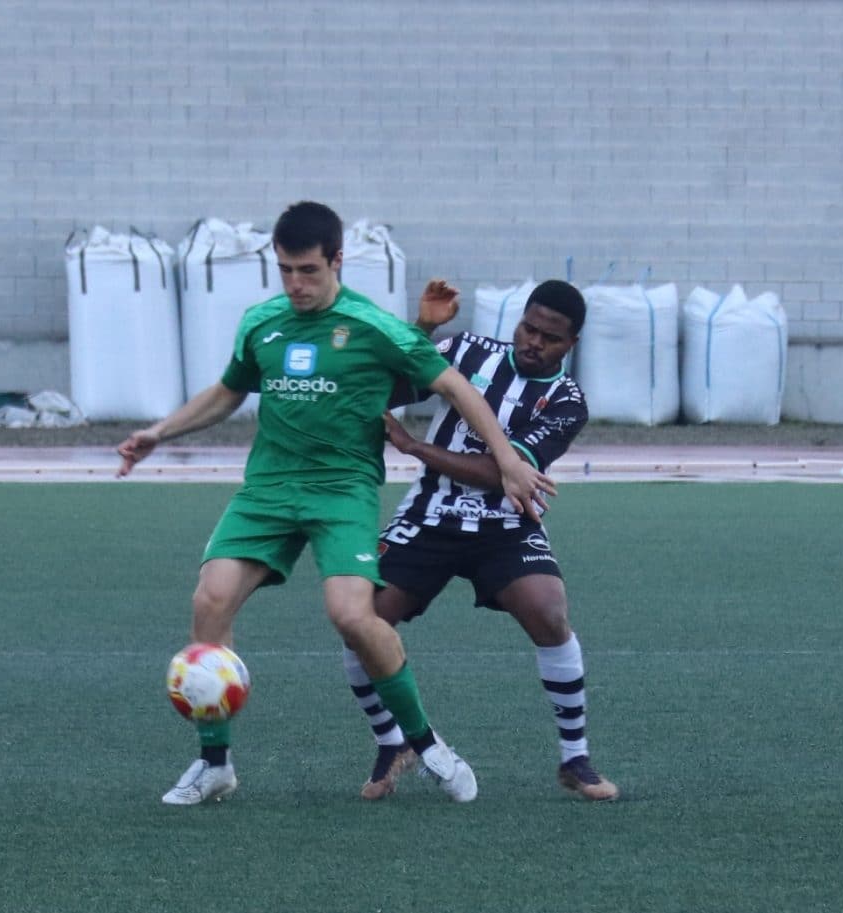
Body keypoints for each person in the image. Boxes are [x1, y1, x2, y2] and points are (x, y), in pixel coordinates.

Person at [116, 201, 554, 806]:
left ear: (337, 262)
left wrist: (507, 461)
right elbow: (227, 391)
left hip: (341, 488)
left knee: (351, 617)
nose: (295, 284)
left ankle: (424, 743)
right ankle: (214, 764)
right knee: (209, 601)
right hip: (268, 488)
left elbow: (455, 386)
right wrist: (159, 433)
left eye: (308, 271)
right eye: (286, 270)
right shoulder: (262, 322)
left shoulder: (374, 327)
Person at [343, 279, 619, 801]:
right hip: (431, 513)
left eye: (549, 338)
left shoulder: (566, 402)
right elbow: (389, 384)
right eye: (528, 327)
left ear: (572, 344)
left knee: (549, 610)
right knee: (361, 621)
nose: (533, 341)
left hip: (505, 523)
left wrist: (413, 446)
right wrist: (422, 327)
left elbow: (500, 473)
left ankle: (574, 758)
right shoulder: (467, 351)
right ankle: (391, 742)